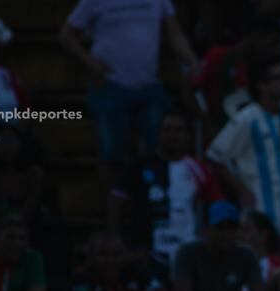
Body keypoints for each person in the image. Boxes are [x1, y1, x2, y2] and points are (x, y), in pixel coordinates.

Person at [59, 0, 197, 169]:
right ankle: (113, 195)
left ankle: (155, 193)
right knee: (112, 153)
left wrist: (192, 61)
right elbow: (67, 35)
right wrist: (89, 62)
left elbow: (174, 33)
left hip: (149, 85)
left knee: (158, 149)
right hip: (109, 85)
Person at [206, 61, 280, 241]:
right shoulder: (247, 118)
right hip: (264, 211)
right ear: (261, 85)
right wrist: (240, 189)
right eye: (278, 78)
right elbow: (215, 156)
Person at [111, 111, 224, 271]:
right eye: (167, 130)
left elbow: (218, 206)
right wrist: (118, 239)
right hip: (148, 251)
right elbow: (117, 200)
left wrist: (209, 238)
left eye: (178, 130)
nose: (173, 135)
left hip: (188, 250)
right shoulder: (139, 166)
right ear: (159, 134)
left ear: (187, 135)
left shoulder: (199, 169)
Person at [171, 200, 267, 291]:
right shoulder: (187, 253)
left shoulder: (246, 256)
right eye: (220, 227)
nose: (227, 234)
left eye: (232, 228)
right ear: (207, 229)